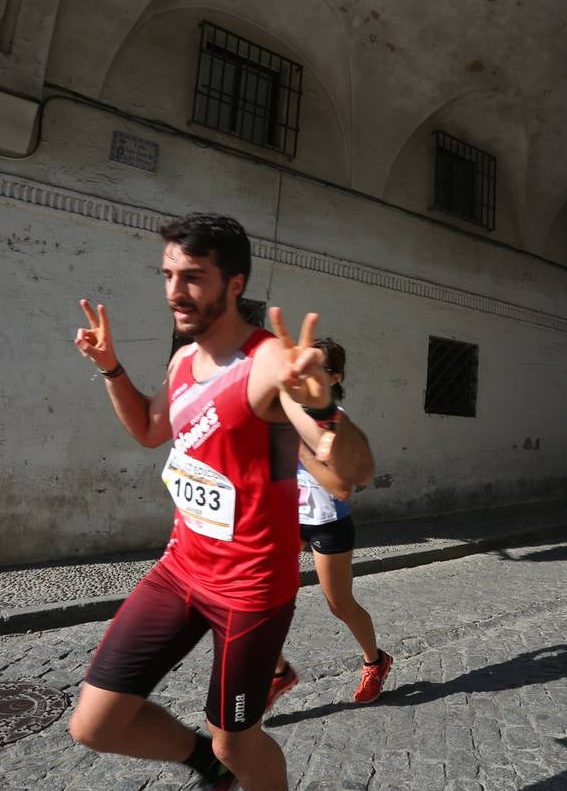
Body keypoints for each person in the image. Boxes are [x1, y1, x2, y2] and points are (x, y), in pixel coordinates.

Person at [68, 213, 375, 791]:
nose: (175, 292)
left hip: (249, 589)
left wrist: (322, 406)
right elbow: (150, 430)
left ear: (234, 283)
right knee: (95, 724)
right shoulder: (184, 360)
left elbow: (352, 473)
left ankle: (226, 761)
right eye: (167, 275)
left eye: (193, 277)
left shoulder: (266, 365)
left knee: (235, 737)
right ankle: (209, 769)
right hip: (181, 568)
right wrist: (110, 367)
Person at [270, 338, 392, 710]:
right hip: (287, 518)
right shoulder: (283, 409)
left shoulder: (334, 421)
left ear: (334, 376)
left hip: (326, 521)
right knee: (261, 601)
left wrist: (299, 440)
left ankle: (376, 662)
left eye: (316, 367)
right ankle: (277, 673)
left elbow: (340, 486)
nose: (304, 374)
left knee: (339, 605)